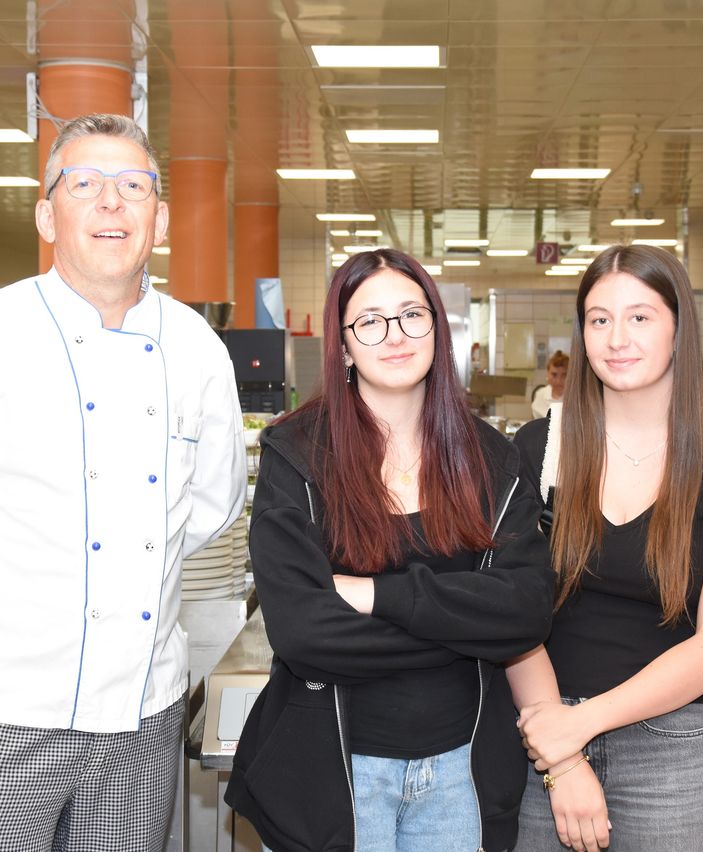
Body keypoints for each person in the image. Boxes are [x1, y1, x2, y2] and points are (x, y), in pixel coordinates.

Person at [224, 248, 554, 852]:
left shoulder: (491, 460)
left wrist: (376, 594)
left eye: (411, 314)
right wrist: (466, 628)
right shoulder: (296, 453)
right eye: (370, 321)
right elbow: (303, 632)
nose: (395, 335)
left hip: (461, 772)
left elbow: (526, 610)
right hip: (338, 771)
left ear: (437, 328)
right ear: (344, 344)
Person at [0, 114, 246, 852]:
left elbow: (211, 504)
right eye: (85, 183)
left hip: (144, 711)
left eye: (134, 185)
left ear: (160, 218)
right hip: (12, 708)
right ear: (48, 213)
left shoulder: (198, 349)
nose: (112, 203)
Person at [509, 245, 703, 851]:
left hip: (667, 748)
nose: (617, 338)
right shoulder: (538, 449)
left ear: (679, 327)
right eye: (599, 320)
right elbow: (510, 614)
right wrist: (564, 757)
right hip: (541, 738)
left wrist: (582, 725)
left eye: (641, 317)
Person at [531, 350, 569, 419]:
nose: (558, 381)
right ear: (547, 373)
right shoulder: (540, 395)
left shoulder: (577, 396)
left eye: (564, 375)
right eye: (554, 375)